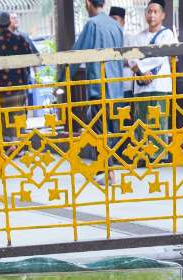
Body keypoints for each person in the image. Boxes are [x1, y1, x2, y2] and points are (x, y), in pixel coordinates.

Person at [73, 0, 124, 183]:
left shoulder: (92, 24)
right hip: (117, 87)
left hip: (99, 86)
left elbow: (76, 54)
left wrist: (63, 79)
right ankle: (105, 170)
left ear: (88, 3)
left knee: (99, 130)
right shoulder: (116, 26)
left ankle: (108, 173)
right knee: (108, 130)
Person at [129, 0, 176, 165]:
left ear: (163, 15)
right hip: (140, 85)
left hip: (159, 84)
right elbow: (130, 58)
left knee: (158, 118)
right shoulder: (137, 37)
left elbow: (161, 55)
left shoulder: (167, 34)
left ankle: (157, 156)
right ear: (145, 14)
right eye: (149, 12)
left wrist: (143, 68)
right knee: (141, 118)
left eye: (156, 12)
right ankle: (142, 154)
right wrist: (141, 72)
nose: (152, 15)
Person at [0, 10, 38, 148]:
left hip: (2, 91)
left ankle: (9, 147)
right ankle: (20, 145)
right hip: (19, 88)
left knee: (4, 119)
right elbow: (31, 60)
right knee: (19, 116)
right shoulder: (21, 40)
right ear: (9, 23)